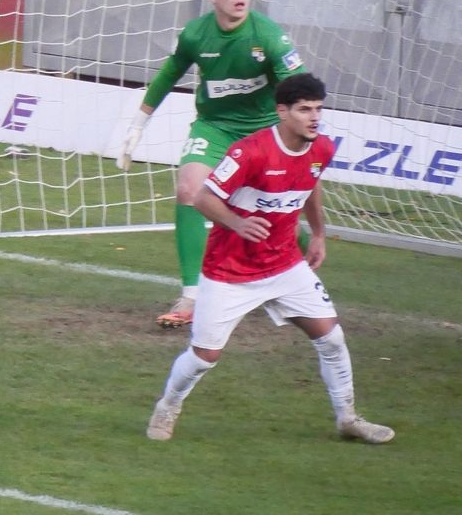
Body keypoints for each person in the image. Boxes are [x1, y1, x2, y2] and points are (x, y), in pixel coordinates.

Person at [145, 73, 393, 444]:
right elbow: (202, 198)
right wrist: (237, 223)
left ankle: (348, 419)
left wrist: (318, 234)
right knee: (204, 357)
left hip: (285, 265)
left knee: (331, 338)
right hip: (230, 273)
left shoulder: (321, 148)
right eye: (304, 109)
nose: (314, 117)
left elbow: (310, 186)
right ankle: (168, 406)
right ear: (282, 111)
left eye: (318, 109)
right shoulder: (250, 152)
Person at [115, 0, 306, 328]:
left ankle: (295, 271)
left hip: (263, 132)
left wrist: (299, 137)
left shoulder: (269, 36)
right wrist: (138, 124)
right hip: (214, 128)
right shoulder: (195, 34)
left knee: (273, 219)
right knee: (189, 189)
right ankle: (192, 296)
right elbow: (169, 74)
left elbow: (300, 88)